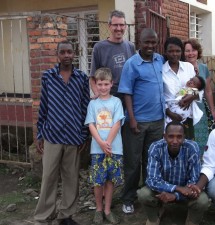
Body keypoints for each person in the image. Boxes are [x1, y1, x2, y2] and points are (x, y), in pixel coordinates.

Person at [34, 40, 90, 225]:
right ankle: (44, 216)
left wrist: (83, 134)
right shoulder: (48, 76)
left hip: (74, 136)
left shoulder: (81, 78)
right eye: (63, 52)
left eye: (69, 52)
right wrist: (40, 133)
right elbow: (44, 106)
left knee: (71, 177)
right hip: (52, 135)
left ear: (74, 54)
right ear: (57, 55)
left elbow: (85, 107)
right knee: (49, 176)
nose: (66, 55)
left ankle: (66, 215)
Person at [118, 28, 165, 214]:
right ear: (139, 42)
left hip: (157, 121)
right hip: (137, 122)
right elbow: (126, 92)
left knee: (151, 161)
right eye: (147, 42)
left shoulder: (160, 60)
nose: (150, 46)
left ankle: (148, 195)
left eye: (154, 42)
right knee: (133, 162)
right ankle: (128, 198)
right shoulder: (132, 64)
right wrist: (131, 119)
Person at [137, 121, 209, 225]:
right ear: (164, 137)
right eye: (171, 136)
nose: (175, 141)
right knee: (144, 194)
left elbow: (193, 182)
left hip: (184, 191)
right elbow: (152, 180)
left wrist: (175, 195)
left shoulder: (192, 147)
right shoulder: (155, 147)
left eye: (179, 137)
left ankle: (192, 221)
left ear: (184, 137)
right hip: (164, 190)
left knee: (202, 200)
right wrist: (177, 188)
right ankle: (153, 219)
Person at [84, 68, 125, 224]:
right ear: (96, 84)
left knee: (110, 181)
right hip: (97, 149)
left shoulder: (116, 102)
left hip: (114, 148)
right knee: (98, 181)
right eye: (99, 84)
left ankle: (108, 209)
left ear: (111, 84)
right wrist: (101, 143)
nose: (102, 87)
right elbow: (91, 124)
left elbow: (117, 123)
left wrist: (107, 142)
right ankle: (99, 209)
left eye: (105, 84)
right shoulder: (93, 104)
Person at [90, 10, 135, 102]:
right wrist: (98, 95)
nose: (119, 28)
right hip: (109, 97)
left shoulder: (131, 46)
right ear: (109, 26)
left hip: (129, 96)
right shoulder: (99, 47)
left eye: (121, 25)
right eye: (115, 25)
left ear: (125, 26)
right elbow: (92, 77)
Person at [184, 38, 215, 156]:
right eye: (187, 51)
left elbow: (208, 91)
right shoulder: (181, 68)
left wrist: (212, 110)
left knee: (202, 139)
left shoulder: (203, 68)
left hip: (201, 109)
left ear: (198, 52)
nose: (190, 53)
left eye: (193, 50)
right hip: (186, 108)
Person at [163, 37, 201, 140]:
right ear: (165, 52)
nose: (174, 54)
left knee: (188, 145)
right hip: (170, 116)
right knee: (172, 146)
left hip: (188, 115)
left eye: (178, 51)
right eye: (171, 51)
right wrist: (171, 114)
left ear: (182, 52)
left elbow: (198, 89)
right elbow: (159, 95)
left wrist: (191, 97)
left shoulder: (188, 67)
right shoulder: (161, 70)